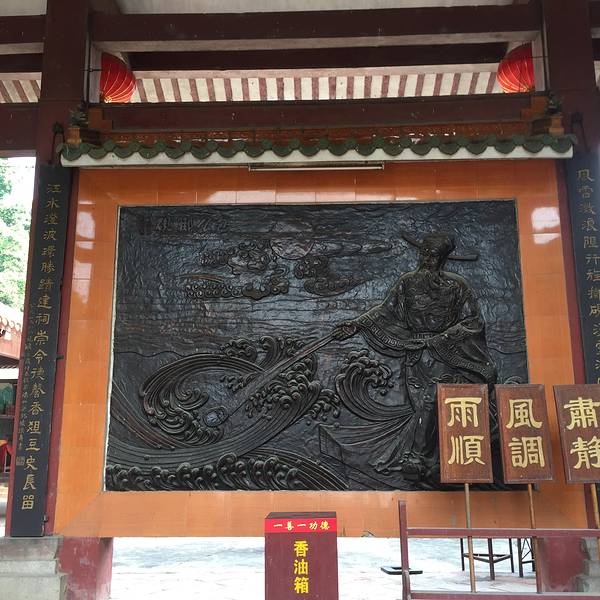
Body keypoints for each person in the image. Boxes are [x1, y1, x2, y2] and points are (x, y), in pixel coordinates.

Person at [330, 233, 496, 478]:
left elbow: (473, 320)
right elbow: (385, 310)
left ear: (443, 258)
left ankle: (418, 457)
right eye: (424, 253)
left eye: (433, 255)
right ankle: (434, 461)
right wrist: (357, 324)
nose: (427, 259)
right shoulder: (407, 282)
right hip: (414, 355)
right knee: (421, 408)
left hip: (444, 354)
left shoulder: (457, 285)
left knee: (431, 401)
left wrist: (443, 337)